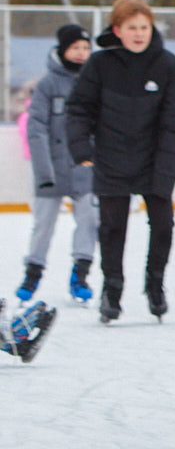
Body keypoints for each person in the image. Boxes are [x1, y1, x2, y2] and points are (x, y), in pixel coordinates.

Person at [67, 0, 175, 324]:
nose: (139, 34)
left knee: (163, 224)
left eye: (144, 27)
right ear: (117, 30)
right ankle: (112, 289)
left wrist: (167, 166)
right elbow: (79, 109)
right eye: (131, 27)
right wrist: (81, 149)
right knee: (112, 228)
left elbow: (174, 122)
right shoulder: (99, 64)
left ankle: (155, 283)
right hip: (111, 158)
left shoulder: (168, 65)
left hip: (154, 158)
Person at [15, 25, 100, 305]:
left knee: (89, 220)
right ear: (63, 50)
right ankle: (32, 273)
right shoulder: (48, 84)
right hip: (52, 168)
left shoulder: (94, 82)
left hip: (84, 167)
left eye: (86, 48)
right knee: (43, 224)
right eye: (75, 47)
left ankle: (80, 274)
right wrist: (43, 170)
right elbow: (36, 128)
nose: (81, 53)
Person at [1, 298, 57, 363]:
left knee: (8, 331)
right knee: (9, 334)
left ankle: (36, 316)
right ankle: (37, 316)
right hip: (14, 342)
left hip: (12, 341)